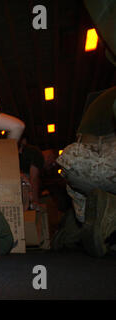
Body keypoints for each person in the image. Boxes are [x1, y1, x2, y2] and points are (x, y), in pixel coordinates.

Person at [55, 86, 116, 257]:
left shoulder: (100, 97)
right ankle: (111, 213)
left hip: (75, 160)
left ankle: (75, 234)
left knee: (85, 217)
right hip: (108, 160)